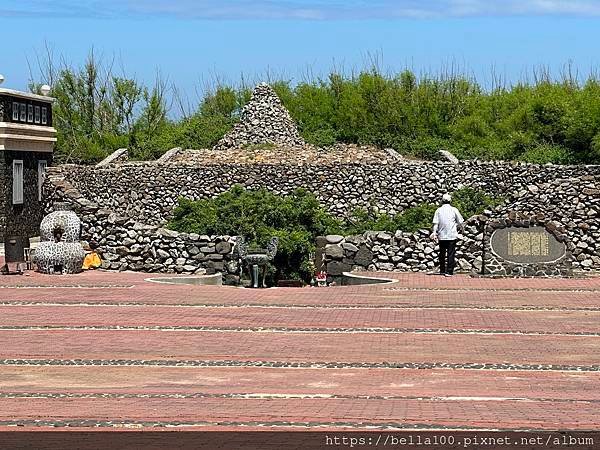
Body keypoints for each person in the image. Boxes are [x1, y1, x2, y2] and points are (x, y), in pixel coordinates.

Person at [431, 193, 464, 277]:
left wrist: (434, 233)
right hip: (451, 235)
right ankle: (449, 271)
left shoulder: (438, 210)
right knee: (450, 253)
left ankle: (442, 270)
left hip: (442, 235)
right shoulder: (454, 210)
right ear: (450, 201)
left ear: (442, 201)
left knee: (442, 253)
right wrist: (462, 230)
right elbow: (460, 221)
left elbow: (435, 223)